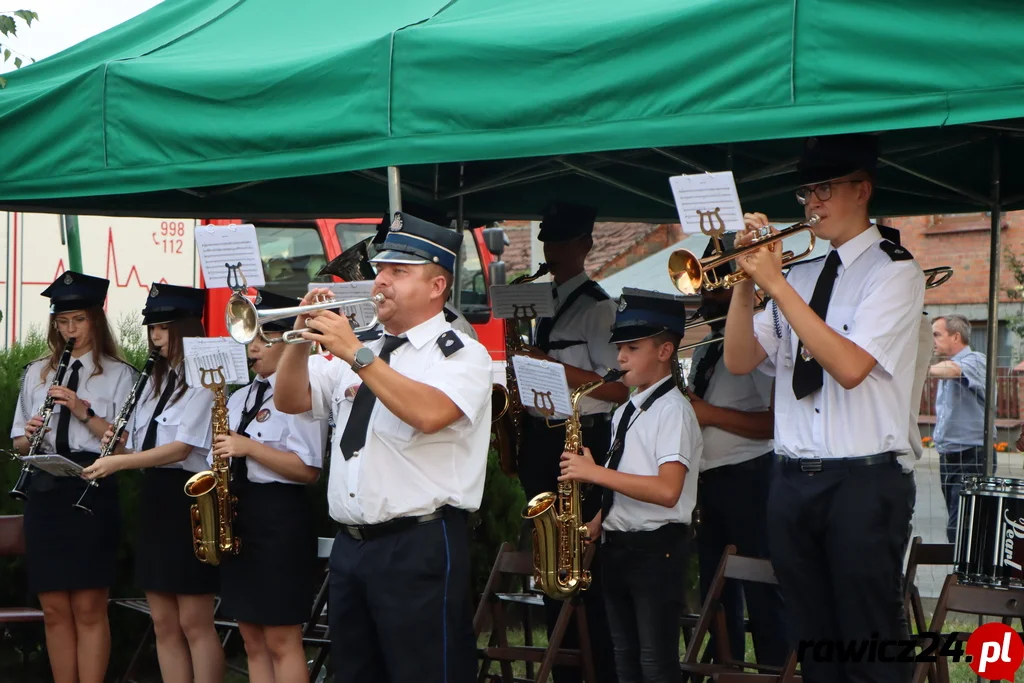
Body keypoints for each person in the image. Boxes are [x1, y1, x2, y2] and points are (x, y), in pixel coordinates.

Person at [722, 133, 923, 683]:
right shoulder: (803, 275)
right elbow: (739, 359)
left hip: (862, 482)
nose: (813, 203)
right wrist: (745, 283)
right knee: (812, 640)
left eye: (825, 188)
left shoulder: (894, 271)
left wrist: (776, 286)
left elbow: (851, 367)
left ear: (863, 189)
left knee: (867, 636)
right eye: (807, 191)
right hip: (792, 480)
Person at [274, 212, 492, 683]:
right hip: (353, 548)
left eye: (399, 272)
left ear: (437, 285)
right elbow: (289, 399)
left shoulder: (460, 353)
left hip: (419, 544)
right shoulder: (364, 344)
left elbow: (429, 413)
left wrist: (356, 354)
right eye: (382, 270)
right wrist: (299, 334)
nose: (382, 281)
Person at [83, 283, 224, 683]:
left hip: (189, 497)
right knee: (163, 620)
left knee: (194, 620)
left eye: (164, 328)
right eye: (153, 329)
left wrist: (118, 463)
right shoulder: (151, 380)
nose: (156, 338)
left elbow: (180, 449)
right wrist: (97, 426)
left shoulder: (204, 378)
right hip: (155, 499)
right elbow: (139, 440)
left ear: (186, 328)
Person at [559, 287, 701, 683]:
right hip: (619, 547)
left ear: (664, 351)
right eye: (620, 347)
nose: (620, 357)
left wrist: (593, 473)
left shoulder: (673, 411)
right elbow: (627, 476)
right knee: (626, 660)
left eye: (632, 347)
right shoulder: (626, 410)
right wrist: (598, 522)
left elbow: (666, 490)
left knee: (655, 663)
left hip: (657, 552)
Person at [519, 201, 627, 683]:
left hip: (583, 438)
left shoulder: (600, 307)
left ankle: (594, 667)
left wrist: (546, 364)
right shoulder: (546, 302)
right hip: (545, 438)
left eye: (562, 241)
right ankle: (564, 665)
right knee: (550, 565)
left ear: (585, 244)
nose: (552, 251)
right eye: (547, 241)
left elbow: (618, 386)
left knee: (582, 565)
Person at [10, 271, 136, 683]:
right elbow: (18, 444)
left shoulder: (119, 374)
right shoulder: (36, 373)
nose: (69, 330)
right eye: (62, 322)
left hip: (92, 491)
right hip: (46, 492)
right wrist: (29, 436)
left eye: (78, 321)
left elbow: (125, 447)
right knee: (54, 608)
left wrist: (83, 411)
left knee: (88, 606)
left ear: (96, 321)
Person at [211, 289, 328, 683]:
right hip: (243, 516)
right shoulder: (243, 395)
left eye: (264, 340)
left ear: (287, 341)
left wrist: (248, 447)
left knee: (281, 638)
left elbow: (308, 470)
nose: (254, 350)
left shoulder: (301, 392)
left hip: (280, 520)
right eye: (251, 341)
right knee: (251, 638)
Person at [684, 238, 788, 667]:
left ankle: (770, 671)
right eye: (704, 285)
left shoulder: (759, 334)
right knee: (717, 590)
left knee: (763, 588)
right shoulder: (711, 340)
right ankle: (724, 669)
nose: (706, 295)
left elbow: (774, 422)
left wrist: (708, 413)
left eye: (715, 285)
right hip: (712, 480)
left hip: (749, 477)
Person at [928, 313, 988, 542]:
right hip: (950, 454)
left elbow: (953, 370)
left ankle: (963, 575)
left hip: (972, 454)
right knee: (959, 521)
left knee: (962, 524)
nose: (933, 340)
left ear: (956, 337)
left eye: (936, 334)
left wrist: (918, 367)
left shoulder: (975, 359)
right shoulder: (946, 365)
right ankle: (962, 573)